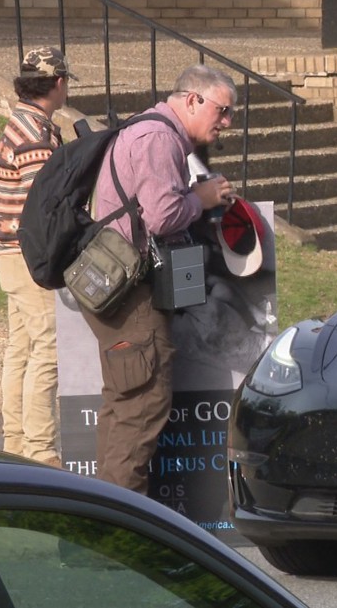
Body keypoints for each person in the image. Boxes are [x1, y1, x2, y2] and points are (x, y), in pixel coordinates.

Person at [78, 64, 234, 494]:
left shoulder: (152, 132)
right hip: (132, 294)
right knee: (141, 411)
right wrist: (201, 198)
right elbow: (162, 217)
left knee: (123, 407)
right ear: (192, 100)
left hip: (120, 288)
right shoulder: (158, 139)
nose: (226, 122)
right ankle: (122, 540)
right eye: (222, 111)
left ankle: (104, 526)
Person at [0, 46, 78, 468]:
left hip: (6, 250)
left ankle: (16, 444)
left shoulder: (19, 122)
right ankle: (40, 451)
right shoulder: (38, 136)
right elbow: (42, 204)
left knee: (21, 347)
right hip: (27, 255)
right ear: (58, 84)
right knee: (47, 348)